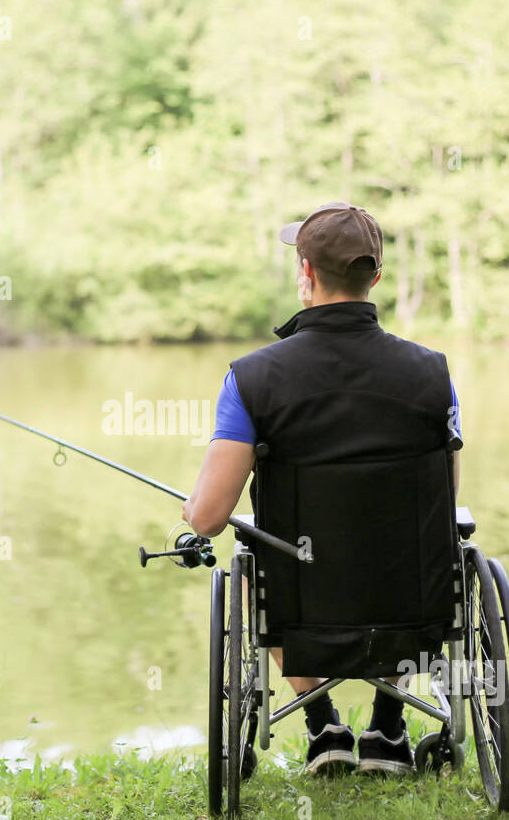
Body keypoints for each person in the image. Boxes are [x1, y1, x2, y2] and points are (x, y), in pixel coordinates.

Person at [182, 201, 460, 777]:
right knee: (426, 543)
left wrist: (192, 514)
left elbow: (210, 518)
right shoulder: (434, 374)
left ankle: (323, 727)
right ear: (374, 278)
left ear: (305, 273)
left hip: (299, 605)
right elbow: (444, 501)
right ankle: (387, 728)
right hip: (411, 603)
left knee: (259, 556)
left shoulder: (252, 378)